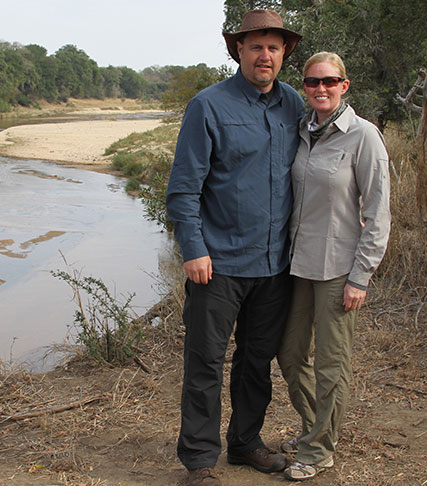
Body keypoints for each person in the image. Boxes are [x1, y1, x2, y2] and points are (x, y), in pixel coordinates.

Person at [166, 9, 305, 486]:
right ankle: (200, 462)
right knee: (205, 362)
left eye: (273, 47)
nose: (264, 55)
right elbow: (184, 189)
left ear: (284, 53)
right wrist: (193, 248)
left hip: (275, 265)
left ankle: (245, 443)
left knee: (256, 362)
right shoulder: (208, 106)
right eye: (255, 46)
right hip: (218, 263)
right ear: (238, 51)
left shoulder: (294, 106)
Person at [277, 51, 391, 481]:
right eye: (311, 82)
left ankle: (320, 449)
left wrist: (361, 276)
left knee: (331, 362)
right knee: (289, 354)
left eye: (329, 81)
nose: (319, 89)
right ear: (304, 88)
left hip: (339, 268)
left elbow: (379, 214)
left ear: (344, 85)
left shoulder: (364, 136)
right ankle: (315, 428)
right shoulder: (303, 132)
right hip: (297, 265)